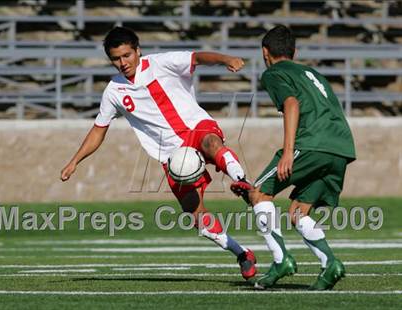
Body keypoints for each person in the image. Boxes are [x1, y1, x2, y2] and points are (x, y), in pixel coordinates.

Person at [60, 26, 256, 280]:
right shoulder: (113, 92)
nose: (122, 63)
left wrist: (226, 60)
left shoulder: (161, 63)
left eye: (127, 55)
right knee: (197, 217)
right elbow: (99, 129)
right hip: (173, 157)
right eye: (116, 59)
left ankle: (242, 181)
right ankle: (242, 255)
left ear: (137, 50)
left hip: (195, 127)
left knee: (211, 143)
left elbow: (197, 57)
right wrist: (74, 161)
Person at [231, 25, 356, 290]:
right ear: (294, 51)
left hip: (311, 143)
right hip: (341, 147)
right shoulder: (313, 73)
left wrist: (288, 152)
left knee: (258, 195)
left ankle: (280, 260)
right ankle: (330, 264)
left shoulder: (274, 72)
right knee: (299, 212)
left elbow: (291, 104)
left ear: (265, 52)